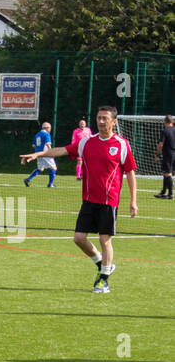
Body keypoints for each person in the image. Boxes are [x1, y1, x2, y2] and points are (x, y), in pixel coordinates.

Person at [19, 105, 137, 294]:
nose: (100, 121)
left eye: (105, 118)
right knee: (79, 238)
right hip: (89, 200)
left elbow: (130, 172)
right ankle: (102, 264)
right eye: (99, 118)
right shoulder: (86, 142)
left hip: (109, 201)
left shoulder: (121, 144)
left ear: (114, 122)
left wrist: (133, 201)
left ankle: (103, 280)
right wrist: (38, 154)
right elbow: (62, 150)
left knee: (104, 239)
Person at [24, 121, 56, 187]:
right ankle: (50, 184)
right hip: (45, 152)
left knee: (40, 168)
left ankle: (28, 179)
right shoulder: (46, 134)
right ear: (47, 128)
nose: (50, 130)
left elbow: (33, 145)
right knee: (54, 167)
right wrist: (51, 152)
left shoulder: (37, 134)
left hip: (38, 153)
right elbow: (48, 144)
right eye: (50, 128)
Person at [155, 114, 175, 199]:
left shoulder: (165, 131)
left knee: (168, 173)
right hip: (174, 153)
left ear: (165, 122)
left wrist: (157, 155)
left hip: (168, 153)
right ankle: (163, 192)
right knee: (165, 172)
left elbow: (160, 144)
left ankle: (170, 194)